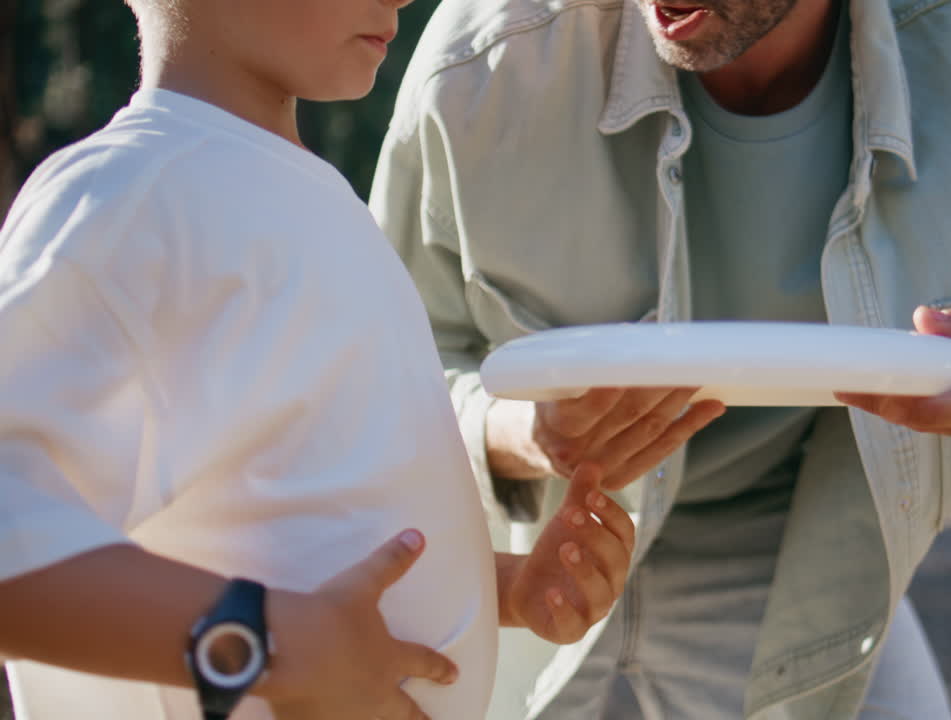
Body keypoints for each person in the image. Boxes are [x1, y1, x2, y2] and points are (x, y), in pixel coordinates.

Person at [370, 0, 951, 716]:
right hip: (529, 568)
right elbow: (376, 381)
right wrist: (519, 433)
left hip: (805, 577)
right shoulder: (478, 61)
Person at [0, 0, 637, 718]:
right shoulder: (135, 199)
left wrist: (509, 590)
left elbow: (300, 519)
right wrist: (272, 645)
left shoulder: (310, 197)